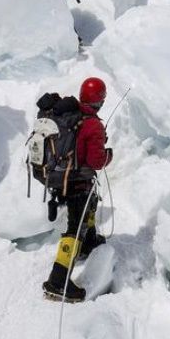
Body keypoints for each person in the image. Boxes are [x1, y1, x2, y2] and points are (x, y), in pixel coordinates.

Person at [43, 76, 113, 303]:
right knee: (75, 227)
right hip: (77, 181)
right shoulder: (92, 124)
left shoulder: (67, 115)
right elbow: (96, 162)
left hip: (61, 179)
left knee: (89, 207)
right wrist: (108, 154)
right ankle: (58, 281)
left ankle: (89, 242)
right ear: (100, 101)